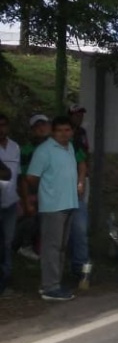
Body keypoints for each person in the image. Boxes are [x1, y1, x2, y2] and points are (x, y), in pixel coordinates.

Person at [25, 116, 85, 302]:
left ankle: (55, 283)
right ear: (53, 131)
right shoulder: (44, 151)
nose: (64, 134)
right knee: (51, 247)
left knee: (60, 247)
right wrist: (47, 190)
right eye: (60, 130)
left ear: (72, 132)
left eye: (67, 130)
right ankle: (49, 287)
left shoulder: (70, 148)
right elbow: (31, 178)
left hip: (69, 203)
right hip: (52, 205)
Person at [16, 114, 52, 262]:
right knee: (33, 216)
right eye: (37, 126)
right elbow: (23, 177)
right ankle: (26, 245)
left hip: (52, 191)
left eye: (44, 124)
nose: (41, 128)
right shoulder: (26, 150)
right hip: (33, 191)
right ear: (32, 130)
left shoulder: (55, 147)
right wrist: (27, 199)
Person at [66, 104, 90, 283]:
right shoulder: (64, 135)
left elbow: (83, 159)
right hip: (61, 188)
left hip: (79, 182)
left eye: (81, 114)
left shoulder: (81, 133)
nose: (79, 117)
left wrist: (81, 180)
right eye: (76, 114)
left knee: (80, 226)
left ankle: (81, 268)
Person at [0, 114, 21, 296]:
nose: (1, 129)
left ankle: (6, 282)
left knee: (8, 242)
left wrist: (22, 198)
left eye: (4, 125)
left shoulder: (15, 147)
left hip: (11, 201)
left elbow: (17, 175)